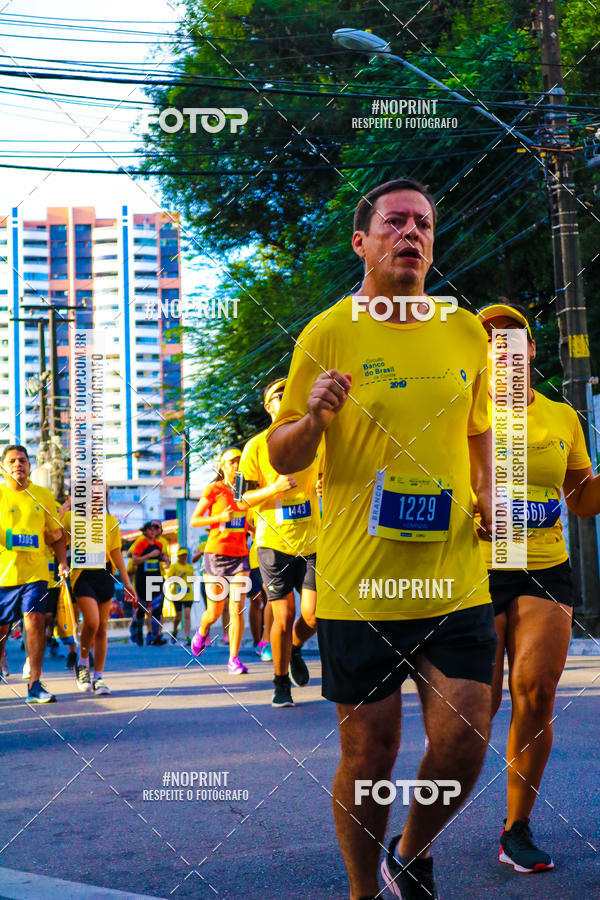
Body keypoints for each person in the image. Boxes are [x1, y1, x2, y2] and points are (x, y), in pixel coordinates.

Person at [267, 178, 497, 900]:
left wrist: (489, 489)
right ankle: (363, 891)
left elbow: (479, 428)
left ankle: (412, 851)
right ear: (361, 242)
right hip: (360, 585)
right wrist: (313, 418)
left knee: (466, 736)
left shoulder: (465, 332)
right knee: (371, 756)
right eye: (394, 222)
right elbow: (283, 454)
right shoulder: (328, 333)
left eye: (422, 224)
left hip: (453, 577)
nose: (411, 234)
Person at [477, 301, 600, 873]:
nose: (502, 346)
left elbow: (582, 500)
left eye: (513, 337)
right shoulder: (460, 411)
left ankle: (516, 828)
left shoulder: (561, 416)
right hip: (474, 568)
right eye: (490, 339)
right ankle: (425, 820)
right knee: (476, 706)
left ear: (530, 350)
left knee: (535, 694)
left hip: (544, 565)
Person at [240, 379, 322, 707]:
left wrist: (325, 485)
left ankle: (296, 648)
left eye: (291, 394)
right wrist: (273, 489)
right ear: (269, 406)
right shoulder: (256, 447)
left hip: (312, 539)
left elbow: (329, 478)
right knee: (284, 616)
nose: (286, 399)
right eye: (279, 395)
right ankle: (280, 681)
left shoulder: (317, 440)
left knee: (314, 616)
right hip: (273, 541)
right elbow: (244, 499)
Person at [0, 444, 69, 703]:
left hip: (35, 574)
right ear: (3, 467)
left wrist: (63, 562)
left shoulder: (43, 495)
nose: (18, 464)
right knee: (2, 630)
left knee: (35, 621)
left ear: (29, 466)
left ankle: (35, 684)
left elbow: (56, 535)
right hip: (3, 575)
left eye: (22, 460)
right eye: (12, 461)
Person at [62, 497, 135, 694]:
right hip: (82, 575)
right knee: (92, 622)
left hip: (105, 575)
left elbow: (116, 552)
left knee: (102, 628)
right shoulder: (71, 518)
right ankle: (83, 662)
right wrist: (65, 507)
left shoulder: (110, 521)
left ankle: (99, 677)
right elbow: (56, 536)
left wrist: (127, 582)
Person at [189, 449, 250, 674]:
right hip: (216, 554)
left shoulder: (246, 492)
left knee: (237, 607)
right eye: (231, 462)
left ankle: (234, 658)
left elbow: (243, 519)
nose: (236, 465)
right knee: (215, 612)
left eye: (239, 461)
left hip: (240, 555)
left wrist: (252, 527)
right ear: (222, 465)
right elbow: (195, 520)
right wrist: (219, 517)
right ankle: (202, 630)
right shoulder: (214, 489)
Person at [130, 522, 169, 646]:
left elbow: (161, 557)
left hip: (156, 578)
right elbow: (135, 560)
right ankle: (139, 632)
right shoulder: (140, 544)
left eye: (154, 529)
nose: (153, 532)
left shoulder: (159, 544)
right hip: (142, 579)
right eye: (150, 529)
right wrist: (149, 555)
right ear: (145, 531)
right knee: (142, 608)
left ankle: (154, 636)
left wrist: (165, 559)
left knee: (157, 608)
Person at [246, 507, 273, 661]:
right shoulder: (251, 507)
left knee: (271, 598)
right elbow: (249, 531)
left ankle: (266, 639)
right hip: (257, 558)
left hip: (277, 555)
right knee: (257, 600)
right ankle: (258, 641)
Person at [167, 547, 195, 644]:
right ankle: (174, 631)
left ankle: (187, 637)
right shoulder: (174, 566)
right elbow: (169, 579)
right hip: (177, 594)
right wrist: (179, 576)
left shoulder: (190, 567)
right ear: (178, 556)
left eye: (185, 555)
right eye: (182, 555)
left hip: (188, 594)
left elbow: (192, 580)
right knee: (178, 616)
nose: (184, 557)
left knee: (187, 614)